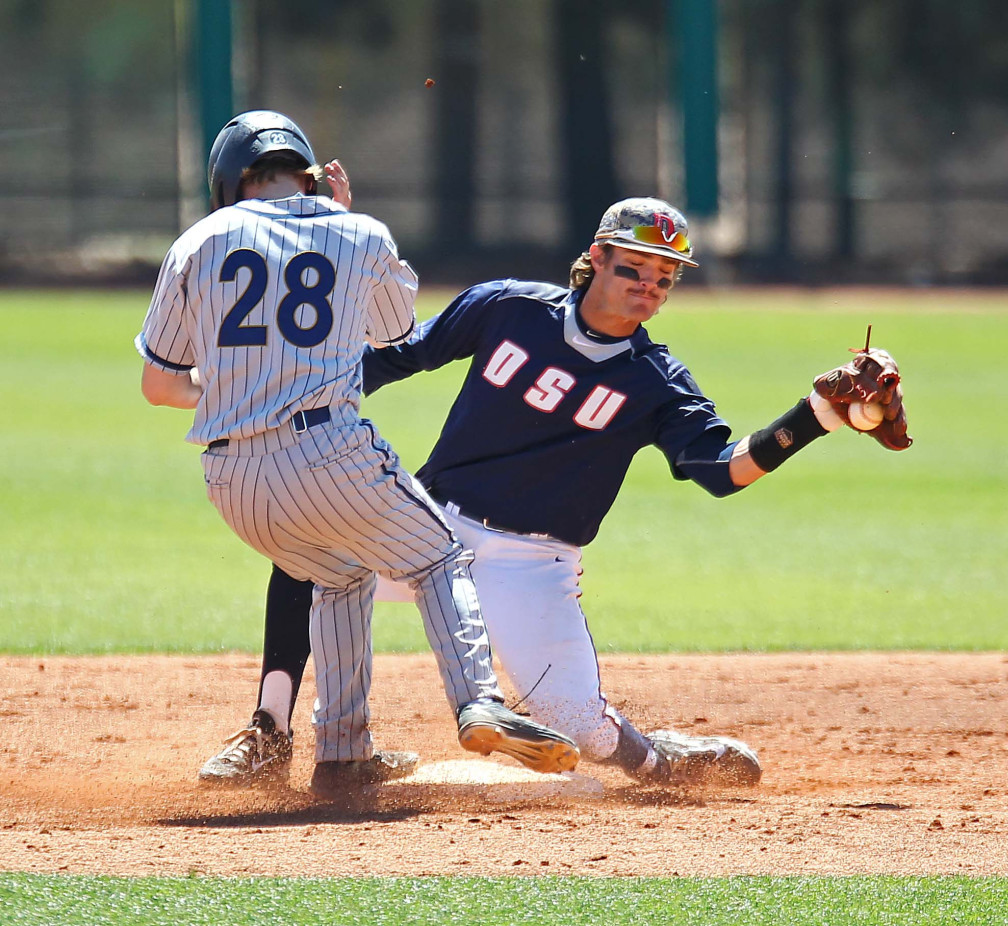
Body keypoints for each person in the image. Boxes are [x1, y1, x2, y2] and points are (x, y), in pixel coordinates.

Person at [200, 190, 909, 788]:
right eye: (637, 268)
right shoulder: (506, 308)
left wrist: (814, 418)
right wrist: (283, 397)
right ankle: (269, 732)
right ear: (596, 256)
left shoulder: (654, 380)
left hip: (532, 565)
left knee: (580, 732)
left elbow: (722, 472)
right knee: (311, 555)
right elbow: (395, 358)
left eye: (666, 278)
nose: (650, 287)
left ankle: (660, 761)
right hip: (431, 526)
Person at [136, 110, 580, 799]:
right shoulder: (360, 231)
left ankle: (342, 755)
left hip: (231, 478)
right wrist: (349, 224)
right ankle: (480, 701)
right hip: (330, 448)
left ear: (229, 180)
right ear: (311, 172)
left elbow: (159, 384)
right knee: (438, 555)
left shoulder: (198, 239)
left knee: (340, 575)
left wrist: (236, 385)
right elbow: (394, 331)